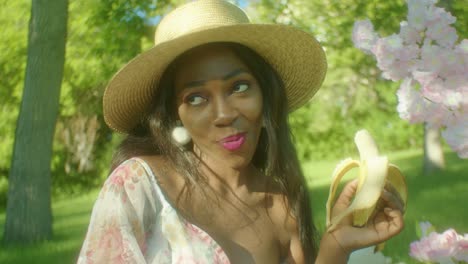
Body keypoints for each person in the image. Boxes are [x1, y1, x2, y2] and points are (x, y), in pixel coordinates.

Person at [78, 0, 404, 263]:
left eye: (239, 87)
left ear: (266, 96)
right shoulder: (137, 187)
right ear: (175, 116)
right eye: (196, 97)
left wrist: (337, 244)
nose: (225, 114)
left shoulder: (281, 205)